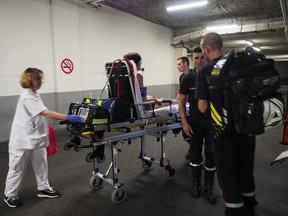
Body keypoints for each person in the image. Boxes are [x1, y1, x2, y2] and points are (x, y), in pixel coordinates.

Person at [195, 32, 258, 215]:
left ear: (206, 49)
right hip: (247, 131)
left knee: (229, 177)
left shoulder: (206, 71)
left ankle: (234, 211)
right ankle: (250, 209)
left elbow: (202, 107)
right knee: (246, 172)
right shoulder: (241, 67)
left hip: (222, 134)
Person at [3, 67, 83, 208]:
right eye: (37, 78)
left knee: (41, 164)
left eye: (41, 78)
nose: (41, 81)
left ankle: (43, 188)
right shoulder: (27, 96)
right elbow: (45, 113)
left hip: (36, 138)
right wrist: (67, 117)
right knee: (17, 168)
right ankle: (10, 194)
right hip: (22, 140)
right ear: (29, 79)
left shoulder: (35, 93)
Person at [178, 48, 216, 204]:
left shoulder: (213, 77)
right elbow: (180, 101)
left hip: (212, 124)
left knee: (211, 156)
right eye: (196, 57)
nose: (200, 60)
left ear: (206, 58)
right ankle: (196, 184)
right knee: (195, 155)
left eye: (202, 57)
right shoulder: (187, 79)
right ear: (192, 59)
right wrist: (184, 122)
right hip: (194, 124)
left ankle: (209, 187)